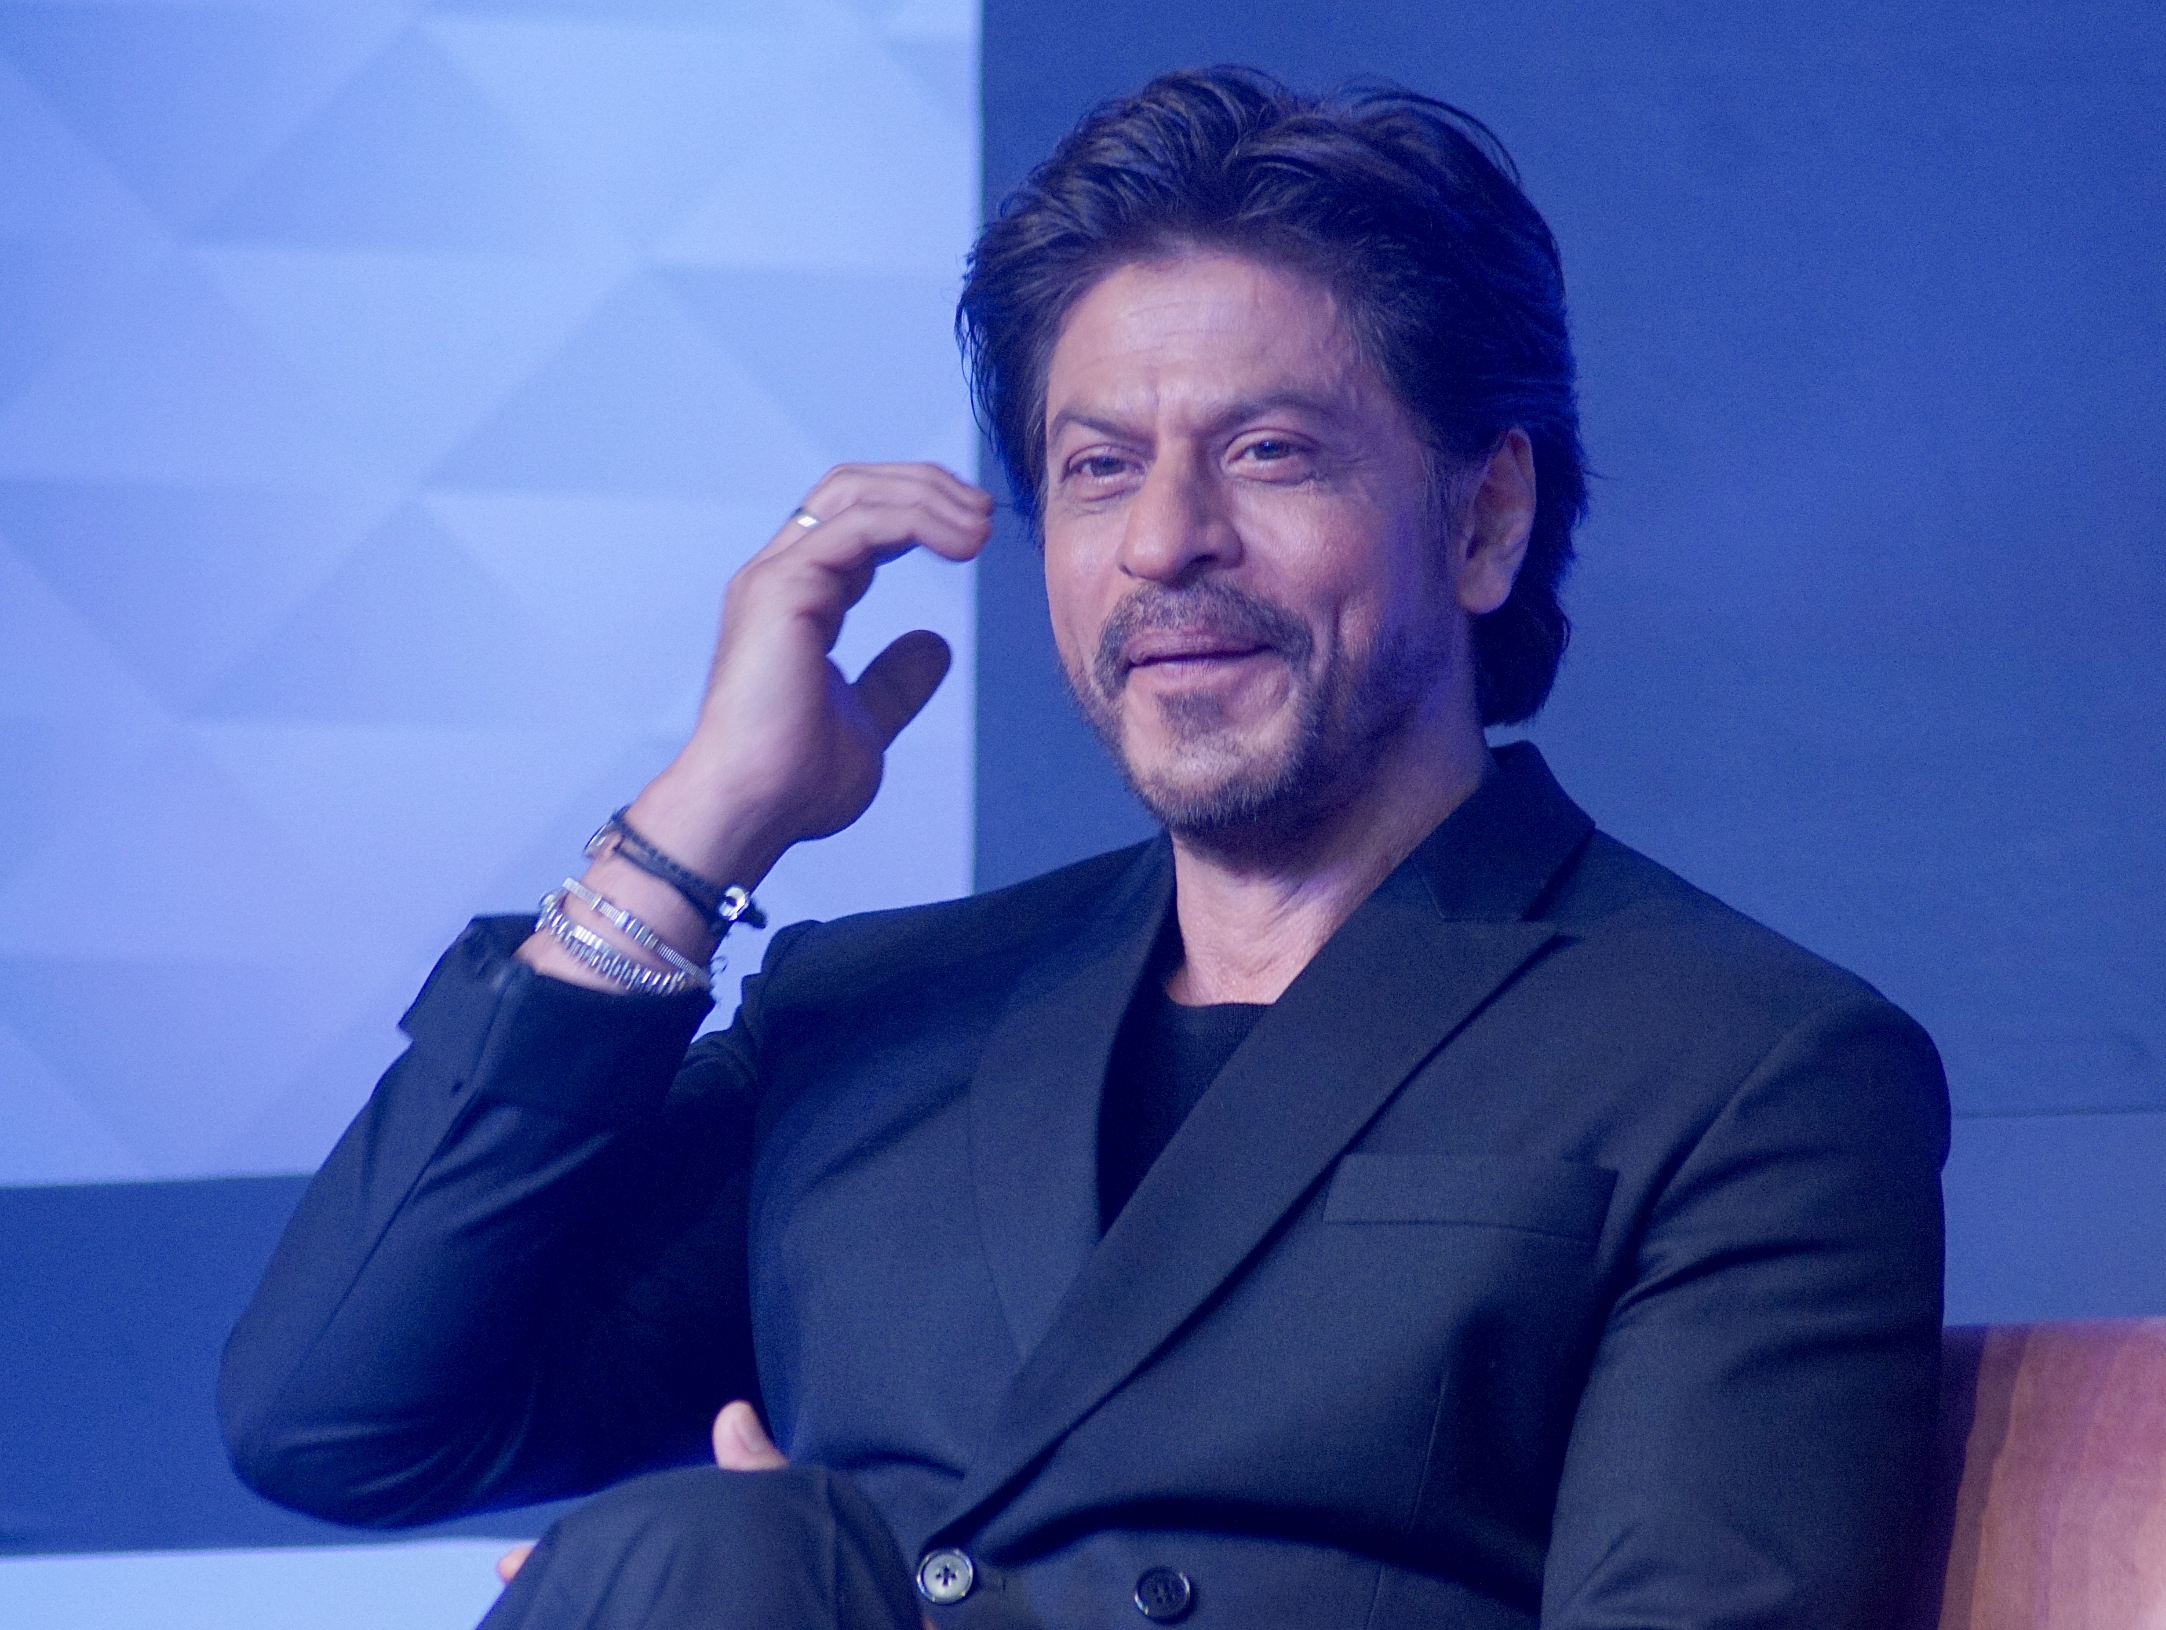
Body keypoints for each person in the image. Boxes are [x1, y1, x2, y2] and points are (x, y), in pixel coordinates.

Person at [220, 67, 1948, 1630]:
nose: (1169, 544)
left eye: (1270, 454)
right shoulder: (877, 1016)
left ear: (1485, 516)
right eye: (1101, 469)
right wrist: (696, 831)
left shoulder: (1747, 1067)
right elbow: (339, 1414)